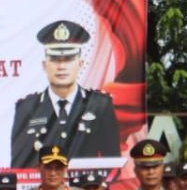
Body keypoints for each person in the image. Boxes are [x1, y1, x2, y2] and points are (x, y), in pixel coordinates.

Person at [11, 20, 120, 167]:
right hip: (41, 189)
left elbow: (113, 161)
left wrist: (98, 188)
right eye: (55, 59)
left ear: (80, 64)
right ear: (44, 65)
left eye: (68, 59)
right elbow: (19, 165)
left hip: (85, 188)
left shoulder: (99, 105)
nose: (62, 67)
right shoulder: (27, 108)